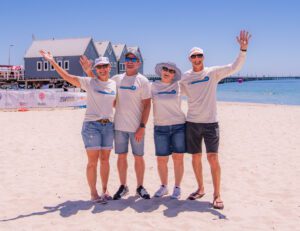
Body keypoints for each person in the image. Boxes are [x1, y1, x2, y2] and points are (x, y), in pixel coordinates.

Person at [180, 30, 251, 209]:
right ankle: (200, 188)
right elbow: (172, 93)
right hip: (192, 123)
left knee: (212, 158)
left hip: (211, 123)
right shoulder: (185, 77)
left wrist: (243, 50)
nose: (197, 58)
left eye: (199, 55)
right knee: (196, 158)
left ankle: (217, 194)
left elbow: (234, 67)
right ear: (189, 59)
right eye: (193, 56)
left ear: (203, 57)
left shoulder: (212, 73)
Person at [40, 50, 116, 203]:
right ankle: (94, 193)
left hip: (108, 125)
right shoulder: (89, 82)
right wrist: (52, 61)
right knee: (93, 162)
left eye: (105, 66)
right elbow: (67, 77)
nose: (102, 69)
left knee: (106, 160)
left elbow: (116, 103)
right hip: (92, 126)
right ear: (95, 69)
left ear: (109, 68)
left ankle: (105, 189)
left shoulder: (114, 84)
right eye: (99, 67)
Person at [81, 50, 152, 200]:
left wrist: (142, 126)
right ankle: (123, 186)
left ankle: (140, 186)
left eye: (134, 59)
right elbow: (99, 85)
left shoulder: (143, 81)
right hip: (118, 127)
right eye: (128, 59)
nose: (130, 61)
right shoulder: (116, 79)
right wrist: (88, 71)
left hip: (137, 127)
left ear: (139, 63)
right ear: (124, 62)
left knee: (138, 157)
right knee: (121, 157)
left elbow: (147, 105)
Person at [151, 62, 186, 199]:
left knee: (178, 159)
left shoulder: (179, 86)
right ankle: (164, 186)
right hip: (160, 127)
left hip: (178, 126)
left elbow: (198, 90)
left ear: (174, 75)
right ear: (161, 71)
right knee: (161, 159)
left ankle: (177, 187)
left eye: (171, 71)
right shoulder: (153, 87)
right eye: (165, 69)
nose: (167, 72)